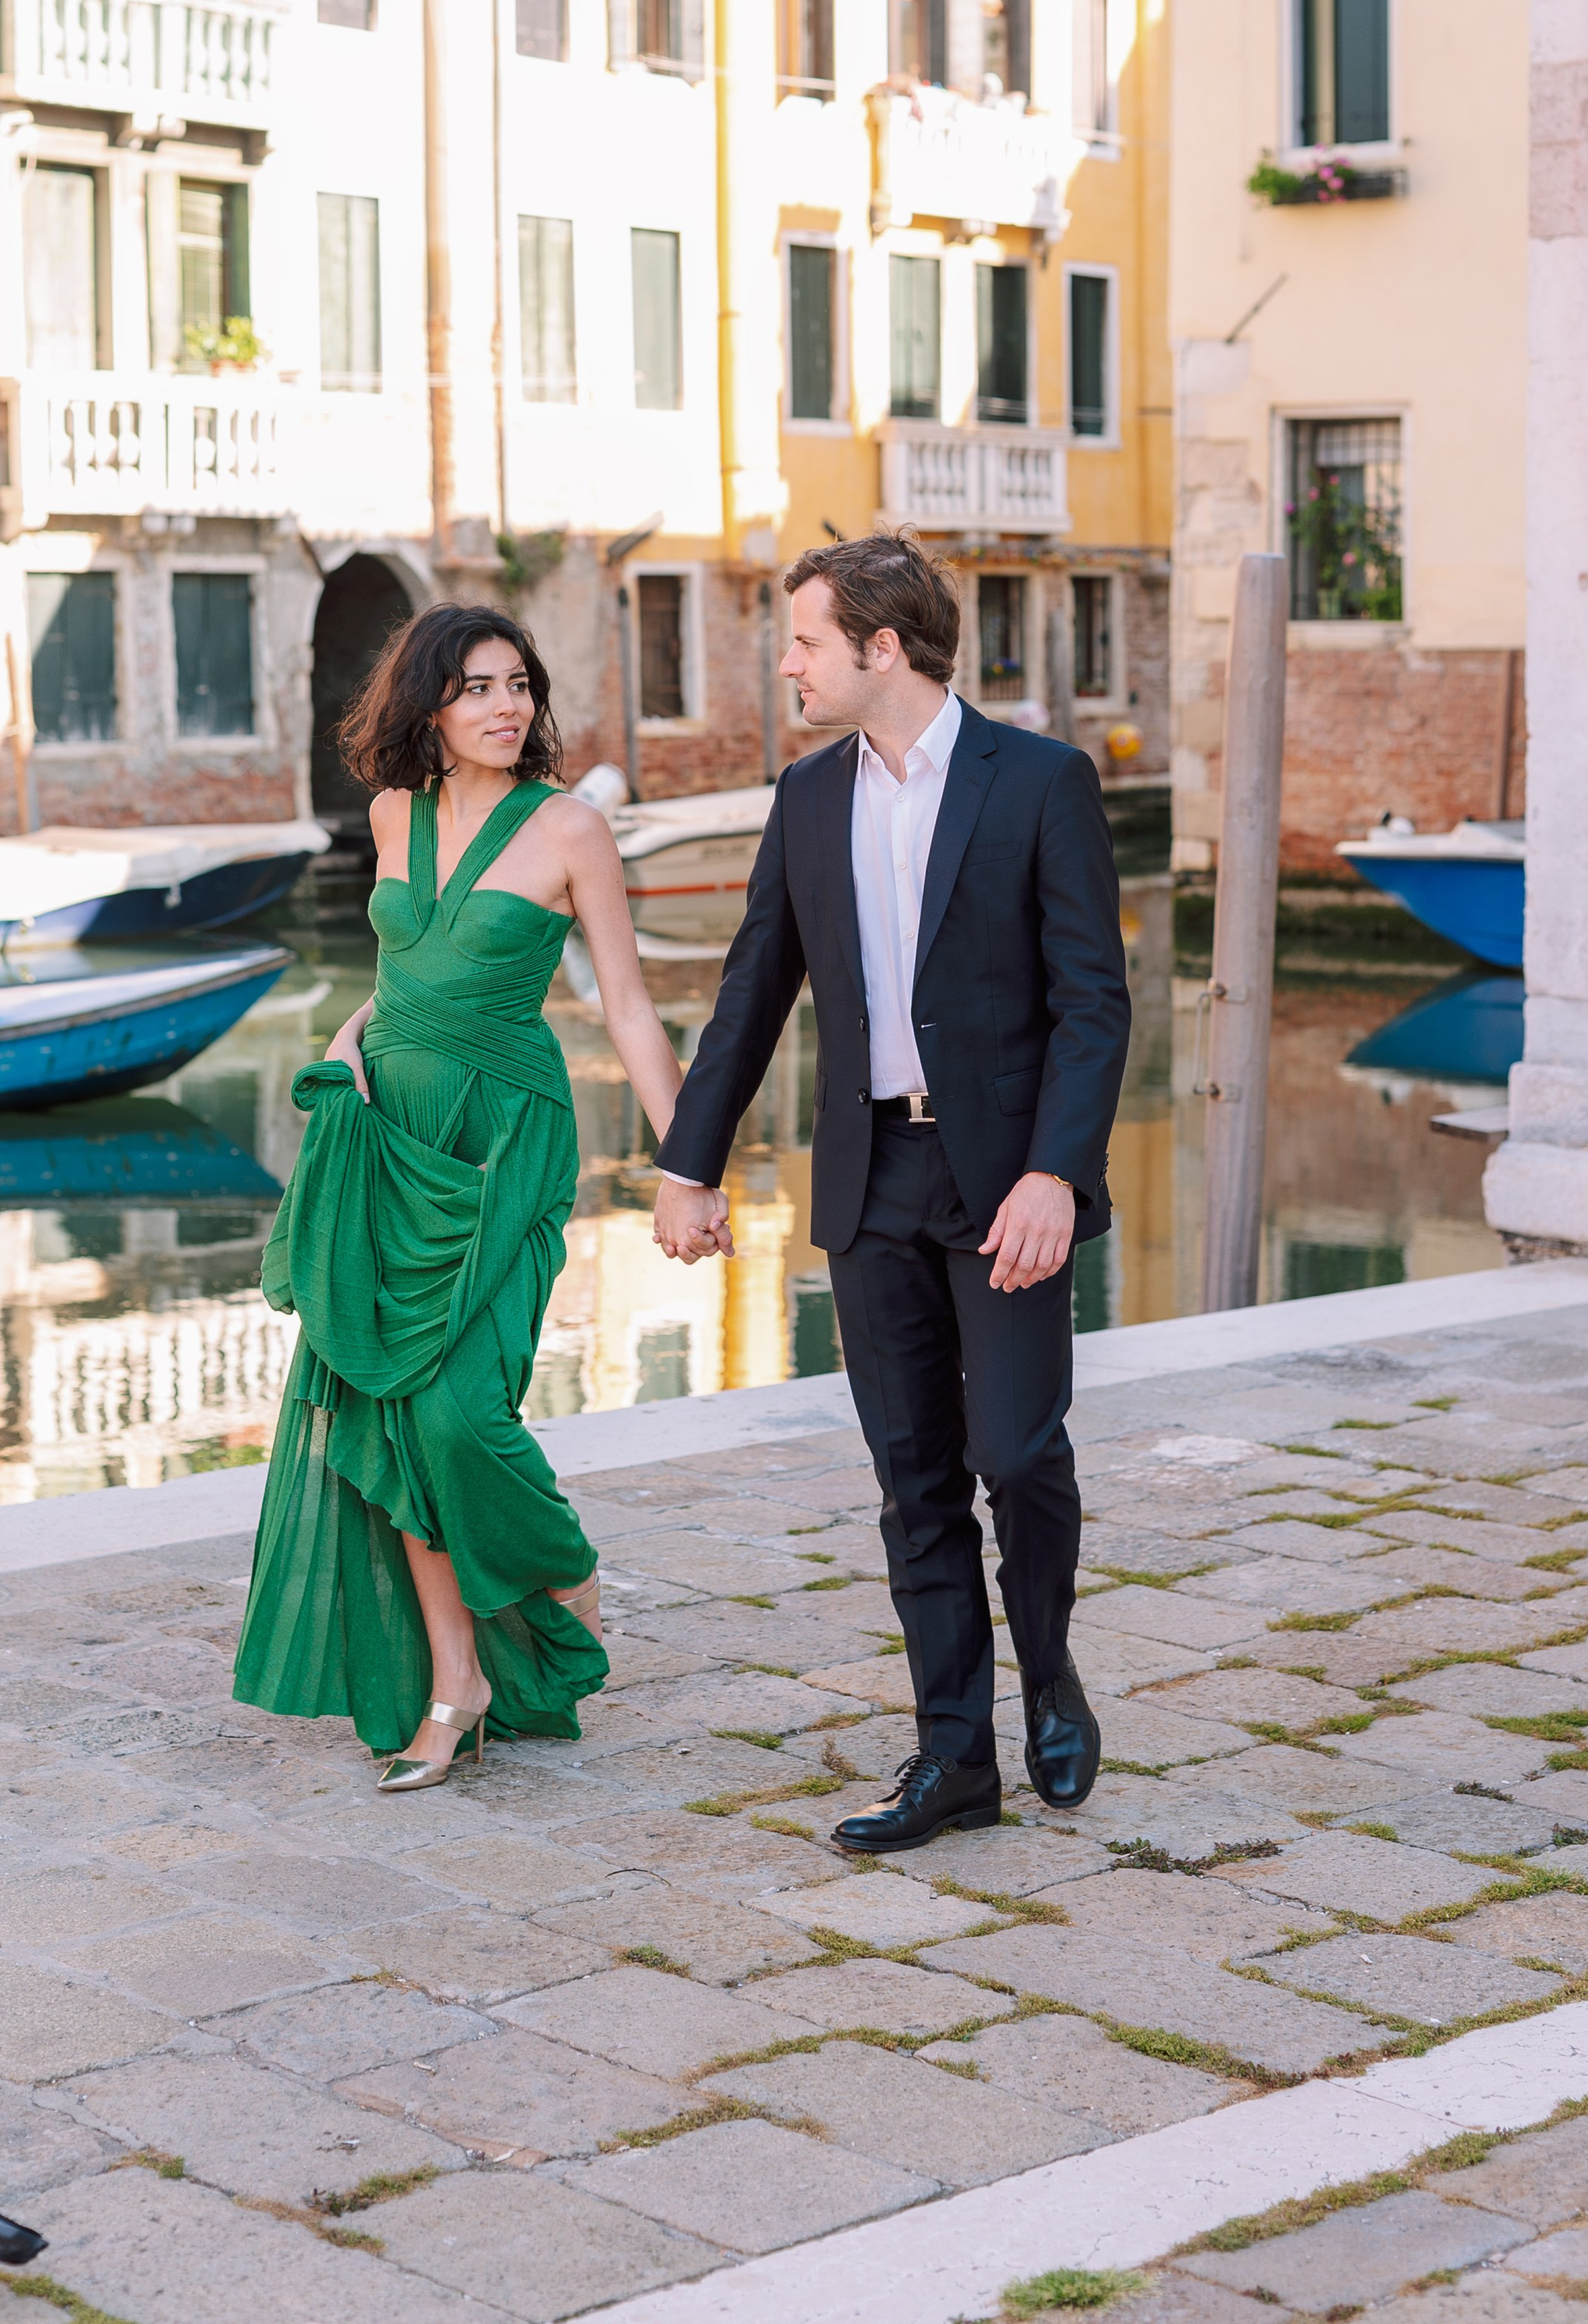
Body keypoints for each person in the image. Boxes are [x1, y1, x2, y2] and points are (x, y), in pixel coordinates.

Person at [654, 536, 1131, 1853]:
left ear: (884, 648)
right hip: (870, 1179)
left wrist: (1056, 1172)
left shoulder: (1040, 781)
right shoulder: (808, 797)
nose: (788, 666)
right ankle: (954, 1760)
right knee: (914, 1479)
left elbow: (1094, 1006)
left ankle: (1051, 1671)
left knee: (1018, 1457)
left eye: (806, 642)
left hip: (1007, 1182)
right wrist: (689, 1164)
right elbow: (754, 992)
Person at [233, 605, 684, 1791]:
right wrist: (351, 1037)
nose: (506, 706)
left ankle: (560, 1562)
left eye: (519, 684)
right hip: (385, 1137)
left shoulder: (570, 826)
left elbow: (627, 1006)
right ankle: (455, 1687)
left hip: (500, 1149)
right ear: (428, 702)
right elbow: (404, 973)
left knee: (458, 1417)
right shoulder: (396, 813)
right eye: (478, 686)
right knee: (391, 1415)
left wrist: (687, 1162)